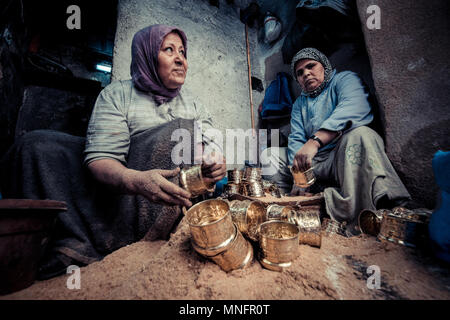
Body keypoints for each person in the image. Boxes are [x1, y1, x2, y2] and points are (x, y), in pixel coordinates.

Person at [0, 24, 226, 279]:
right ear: (148, 56)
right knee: (36, 145)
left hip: (172, 194)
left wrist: (215, 162)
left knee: (182, 130)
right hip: (125, 186)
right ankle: (97, 237)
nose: (180, 59)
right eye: (169, 50)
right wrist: (135, 180)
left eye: (183, 52)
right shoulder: (118, 95)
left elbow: (212, 149)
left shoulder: (194, 105)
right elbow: (102, 158)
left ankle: (156, 232)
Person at [261, 47, 411, 236]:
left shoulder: (344, 80)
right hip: (314, 164)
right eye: (300, 73)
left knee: (361, 134)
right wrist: (298, 174)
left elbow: (355, 107)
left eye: (310, 66)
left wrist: (315, 142)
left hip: (341, 157)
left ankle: (356, 214)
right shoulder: (300, 103)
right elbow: (296, 138)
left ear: (324, 66)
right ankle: (288, 205)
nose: (306, 73)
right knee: (270, 155)